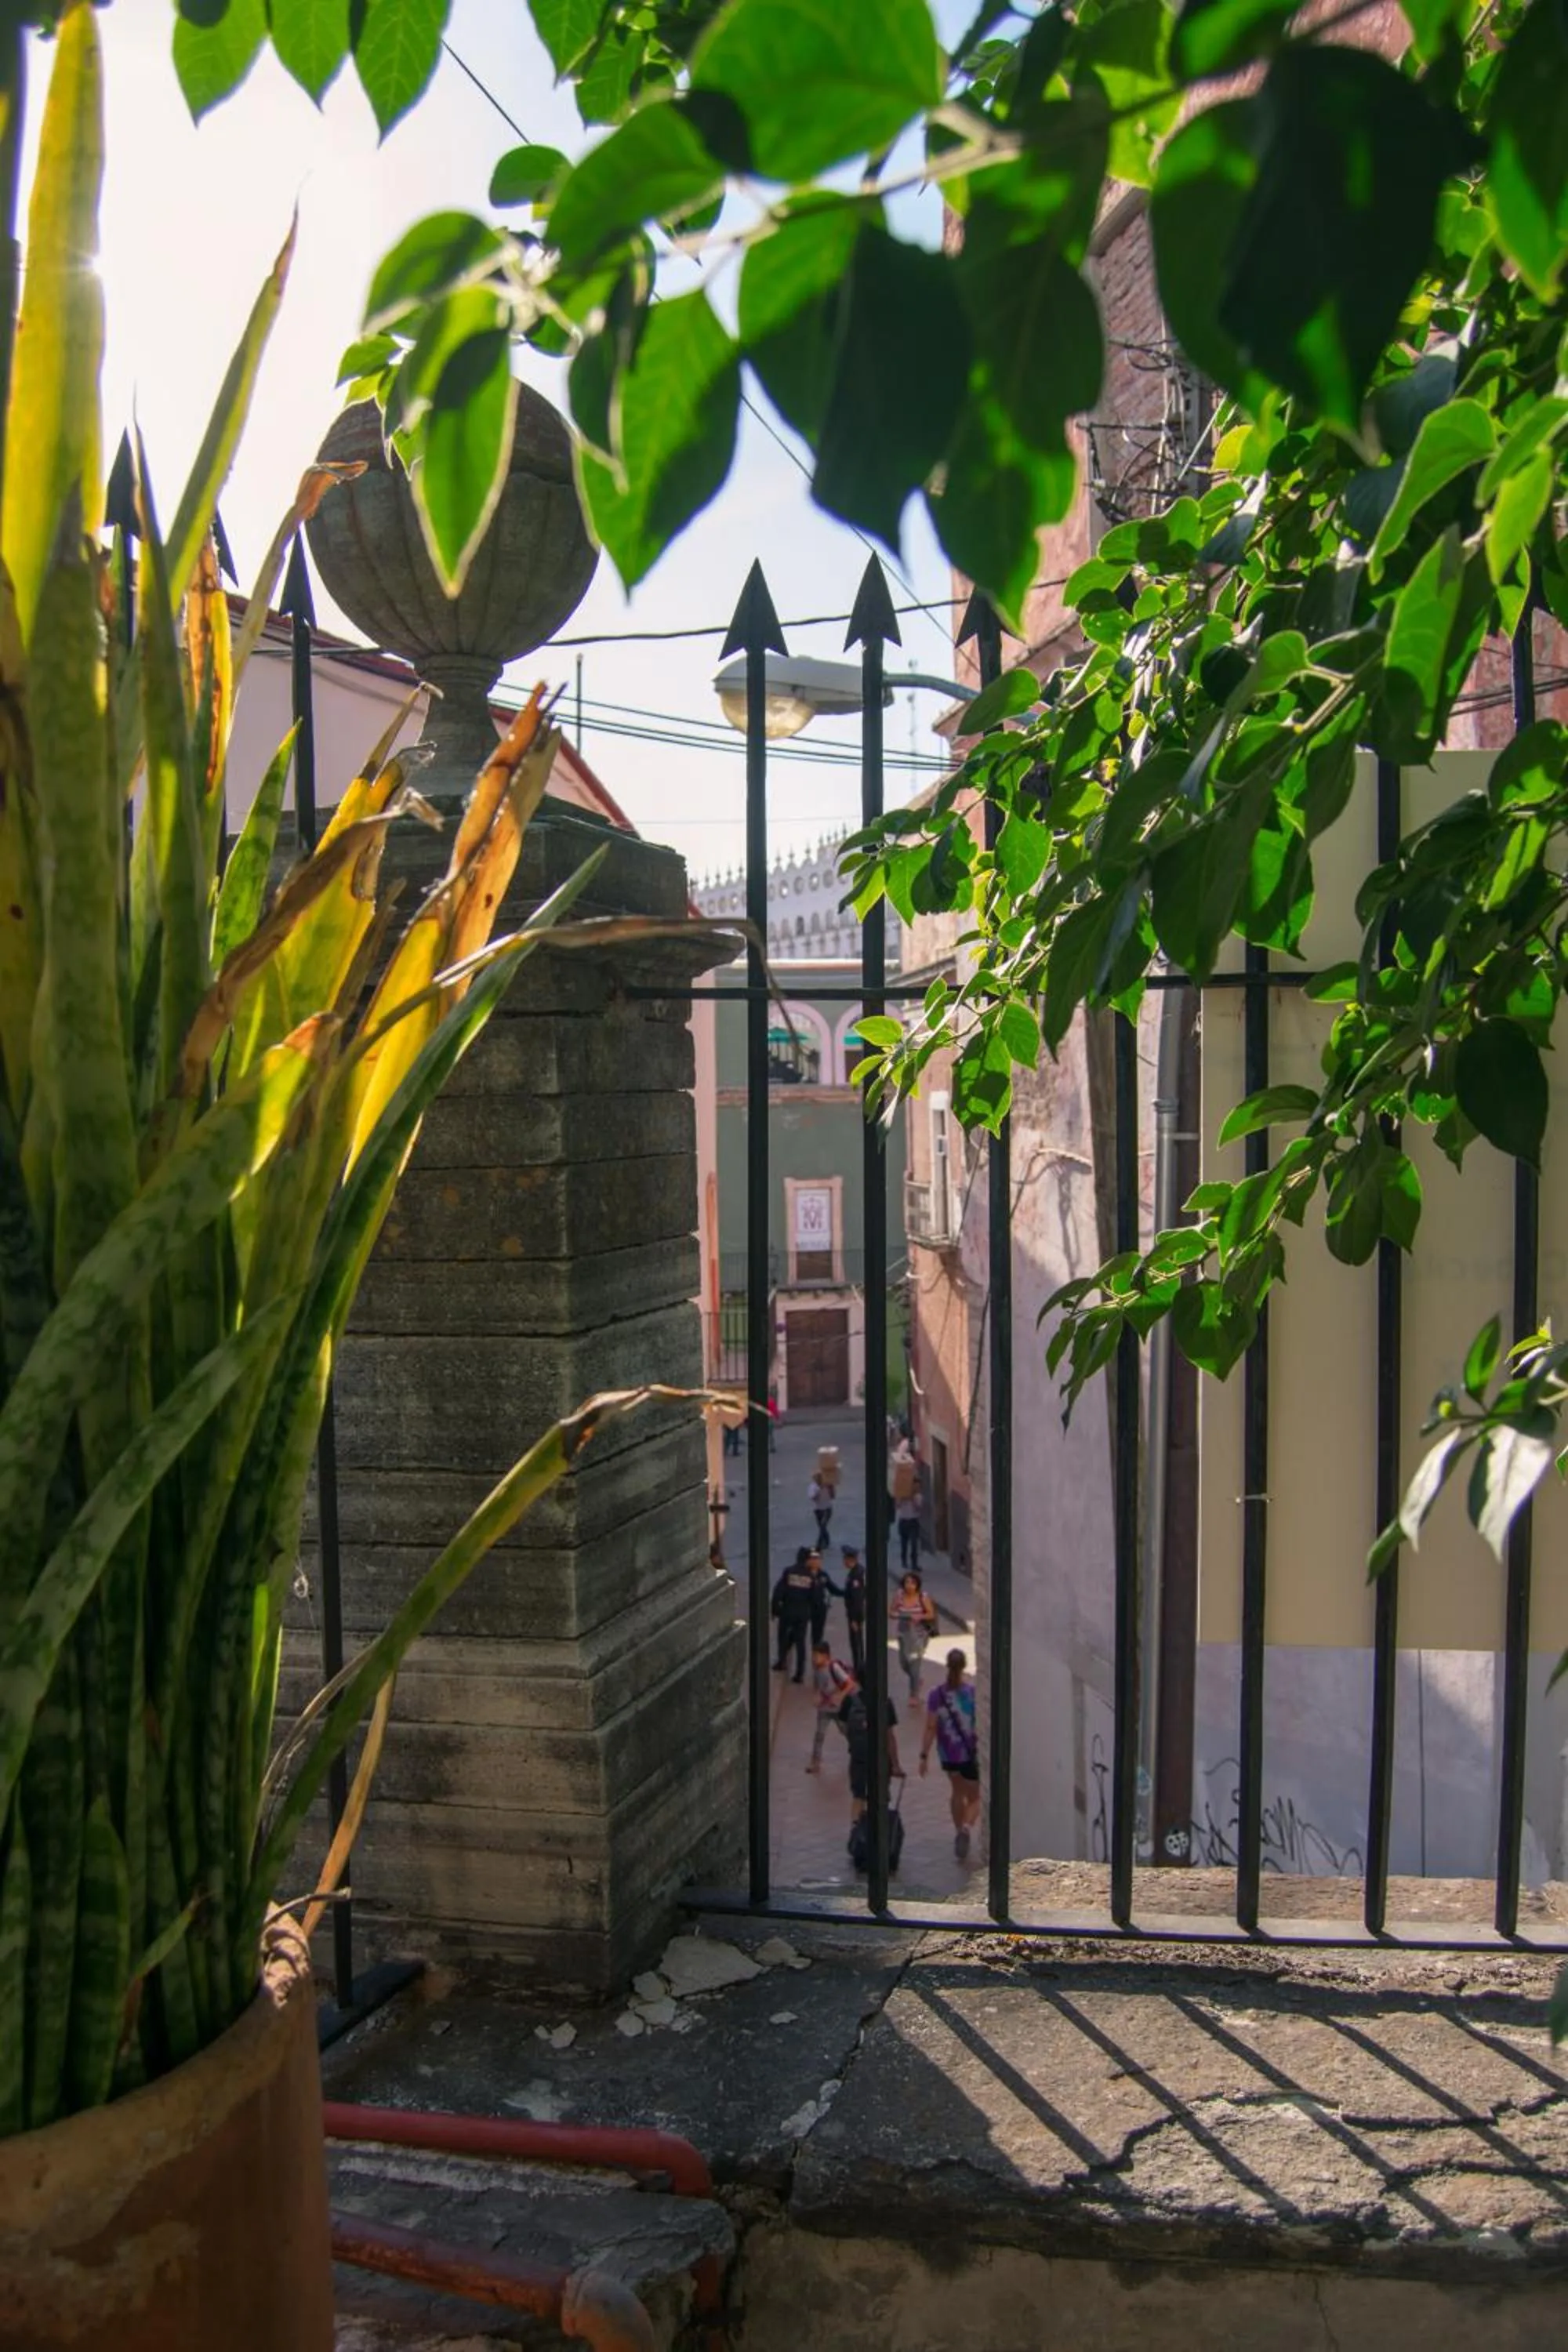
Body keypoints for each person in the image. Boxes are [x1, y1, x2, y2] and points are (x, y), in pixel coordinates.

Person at [921, 1649, 982, 1860]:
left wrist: (923, 1755)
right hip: (968, 1754)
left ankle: (958, 1832)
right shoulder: (972, 1694)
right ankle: (965, 1827)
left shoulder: (936, 1695)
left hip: (948, 1754)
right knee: (977, 1796)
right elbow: (978, 1727)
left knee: (957, 1792)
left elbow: (930, 1727)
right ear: (964, 1667)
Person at [838, 1680, 902, 1843]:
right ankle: (880, 1838)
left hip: (858, 1757)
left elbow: (843, 1725)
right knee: (881, 1796)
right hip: (880, 1758)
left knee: (858, 1796)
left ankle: (856, 1835)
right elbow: (890, 1737)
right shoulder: (885, 1703)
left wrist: (854, 1740)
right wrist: (895, 1764)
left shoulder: (850, 1700)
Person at [806, 1642, 857, 1773]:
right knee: (819, 1734)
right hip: (825, 1708)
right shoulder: (817, 1669)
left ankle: (859, 1754)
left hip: (839, 1709)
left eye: (816, 1656)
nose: (814, 1659)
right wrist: (817, 1697)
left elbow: (850, 1684)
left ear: (825, 1656)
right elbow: (819, 1687)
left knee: (846, 1731)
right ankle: (815, 1761)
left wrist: (840, 1697)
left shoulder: (834, 1667)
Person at [770, 1547, 816, 1682]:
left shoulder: (789, 1572)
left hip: (787, 1611)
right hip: (802, 1614)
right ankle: (799, 1674)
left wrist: (775, 1610)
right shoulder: (810, 1577)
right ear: (807, 1560)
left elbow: (778, 1592)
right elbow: (814, 1598)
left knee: (783, 1637)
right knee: (801, 1643)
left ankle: (781, 1662)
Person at [892, 1570, 938, 1706]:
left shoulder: (923, 1597)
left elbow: (931, 1614)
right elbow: (891, 1611)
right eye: (907, 1582)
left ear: (917, 1585)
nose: (909, 1585)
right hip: (903, 1633)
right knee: (903, 1662)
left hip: (919, 1636)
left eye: (913, 1583)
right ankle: (917, 1680)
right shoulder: (899, 1596)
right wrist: (896, 1615)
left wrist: (919, 1616)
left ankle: (914, 1695)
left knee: (914, 1665)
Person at [890, 1441, 921, 1572]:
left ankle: (914, 1563)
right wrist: (901, 1496)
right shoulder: (902, 1494)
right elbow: (897, 1506)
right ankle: (904, 1561)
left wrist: (912, 1497)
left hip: (913, 1521)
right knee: (904, 1544)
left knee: (914, 1544)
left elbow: (918, 1508)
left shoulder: (918, 1496)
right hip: (903, 1521)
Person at [840, 1546, 867, 1679]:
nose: (843, 1561)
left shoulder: (856, 1575)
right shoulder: (856, 1572)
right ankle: (859, 1667)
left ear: (850, 1559)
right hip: (854, 1614)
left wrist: (854, 1619)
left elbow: (857, 1599)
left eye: (845, 1559)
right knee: (856, 1642)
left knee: (856, 1643)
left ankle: (859, 1669)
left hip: (855, 1615)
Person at [806, 1550, 841, 1649]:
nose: (815, 1561)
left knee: (818, 1635)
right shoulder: (804, 1574)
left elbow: (833, 1589)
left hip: (820, 1608)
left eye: (817, 1559)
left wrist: (847, 1593)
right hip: (806, 1607)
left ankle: (816, 1655)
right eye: (813, 1559)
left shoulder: (823, 1575)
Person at [808, 1470, 834, 1544]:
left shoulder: (828, 1485)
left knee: (823, 1526)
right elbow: (813, 1498)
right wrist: (819, 1490)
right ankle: (826, 1542)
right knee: (822, 1527)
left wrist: (831, 1489)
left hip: (827, 1509)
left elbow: (832, 1497)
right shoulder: (812, 1487)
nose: (819, 1478)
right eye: (817, 1477)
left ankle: (819, 1543)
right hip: (818, 1510)